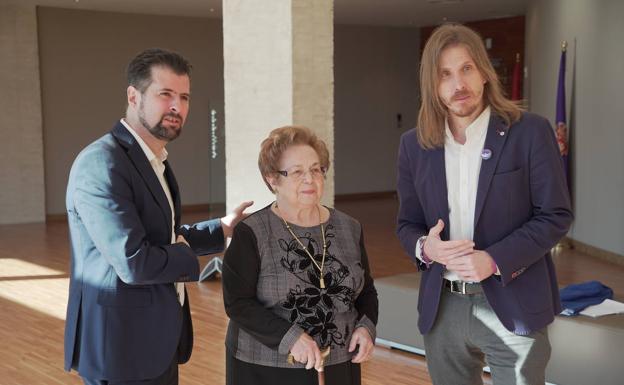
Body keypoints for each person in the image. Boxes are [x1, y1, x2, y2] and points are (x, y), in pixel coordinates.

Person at [396, 24, 573, 385]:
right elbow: (407, 223)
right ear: (432, 84)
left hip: (513, 301)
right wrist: (425, 247)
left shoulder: (530, 132)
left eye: (466, 69)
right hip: (442, 308)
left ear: (484, 73)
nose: (458, 84)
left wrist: (493, 259)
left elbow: (555, 214)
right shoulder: (414, 146)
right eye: (444, 74)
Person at [64, 48, 252, 385]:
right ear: (134, 97)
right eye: (165, 94)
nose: (177, 107)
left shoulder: (154, 159)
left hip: (155, 338)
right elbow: (133, 261)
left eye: (184, 97)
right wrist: (187, 258)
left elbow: (160, 235)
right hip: (121, 349)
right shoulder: (102, 164)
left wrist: (221, 229)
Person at [222, 126, 378, 385]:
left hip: (339, 363)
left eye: (316, 169)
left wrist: (366, 327)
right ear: (273, 179)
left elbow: (366, 291)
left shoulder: (349, 227)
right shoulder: (251, 233)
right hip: (266, 367)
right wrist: (290, 337)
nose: (310, 179)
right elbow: (238, 303)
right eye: (296, 172)